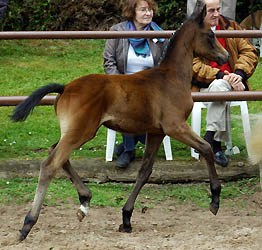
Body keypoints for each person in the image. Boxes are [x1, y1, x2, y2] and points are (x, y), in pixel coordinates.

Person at [191, 0, 258, 167]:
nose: (216, 14)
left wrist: (238, 74)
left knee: (220, 87)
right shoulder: (192, 31)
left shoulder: (231, 26)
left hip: (232, 81)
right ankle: (215, 144)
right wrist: (221, 75)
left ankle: (210, 138)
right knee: (219, 86)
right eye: (211, 10)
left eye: (218, 9)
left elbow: (249, 51)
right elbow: (192, 65)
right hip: (203, 85)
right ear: (201, 12)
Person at [103, 0, 167, 168]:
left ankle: (129, 146)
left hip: (150, 85)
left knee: (138, 98)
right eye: (143, 10)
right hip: (122, 82)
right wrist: (119, 82)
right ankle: (131, 146)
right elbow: (109, 62)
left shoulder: (159, 34)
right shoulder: (117, 31)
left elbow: (164, 63)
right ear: (132, 12)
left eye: (150, 10)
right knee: (127, 98)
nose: (148, 13)